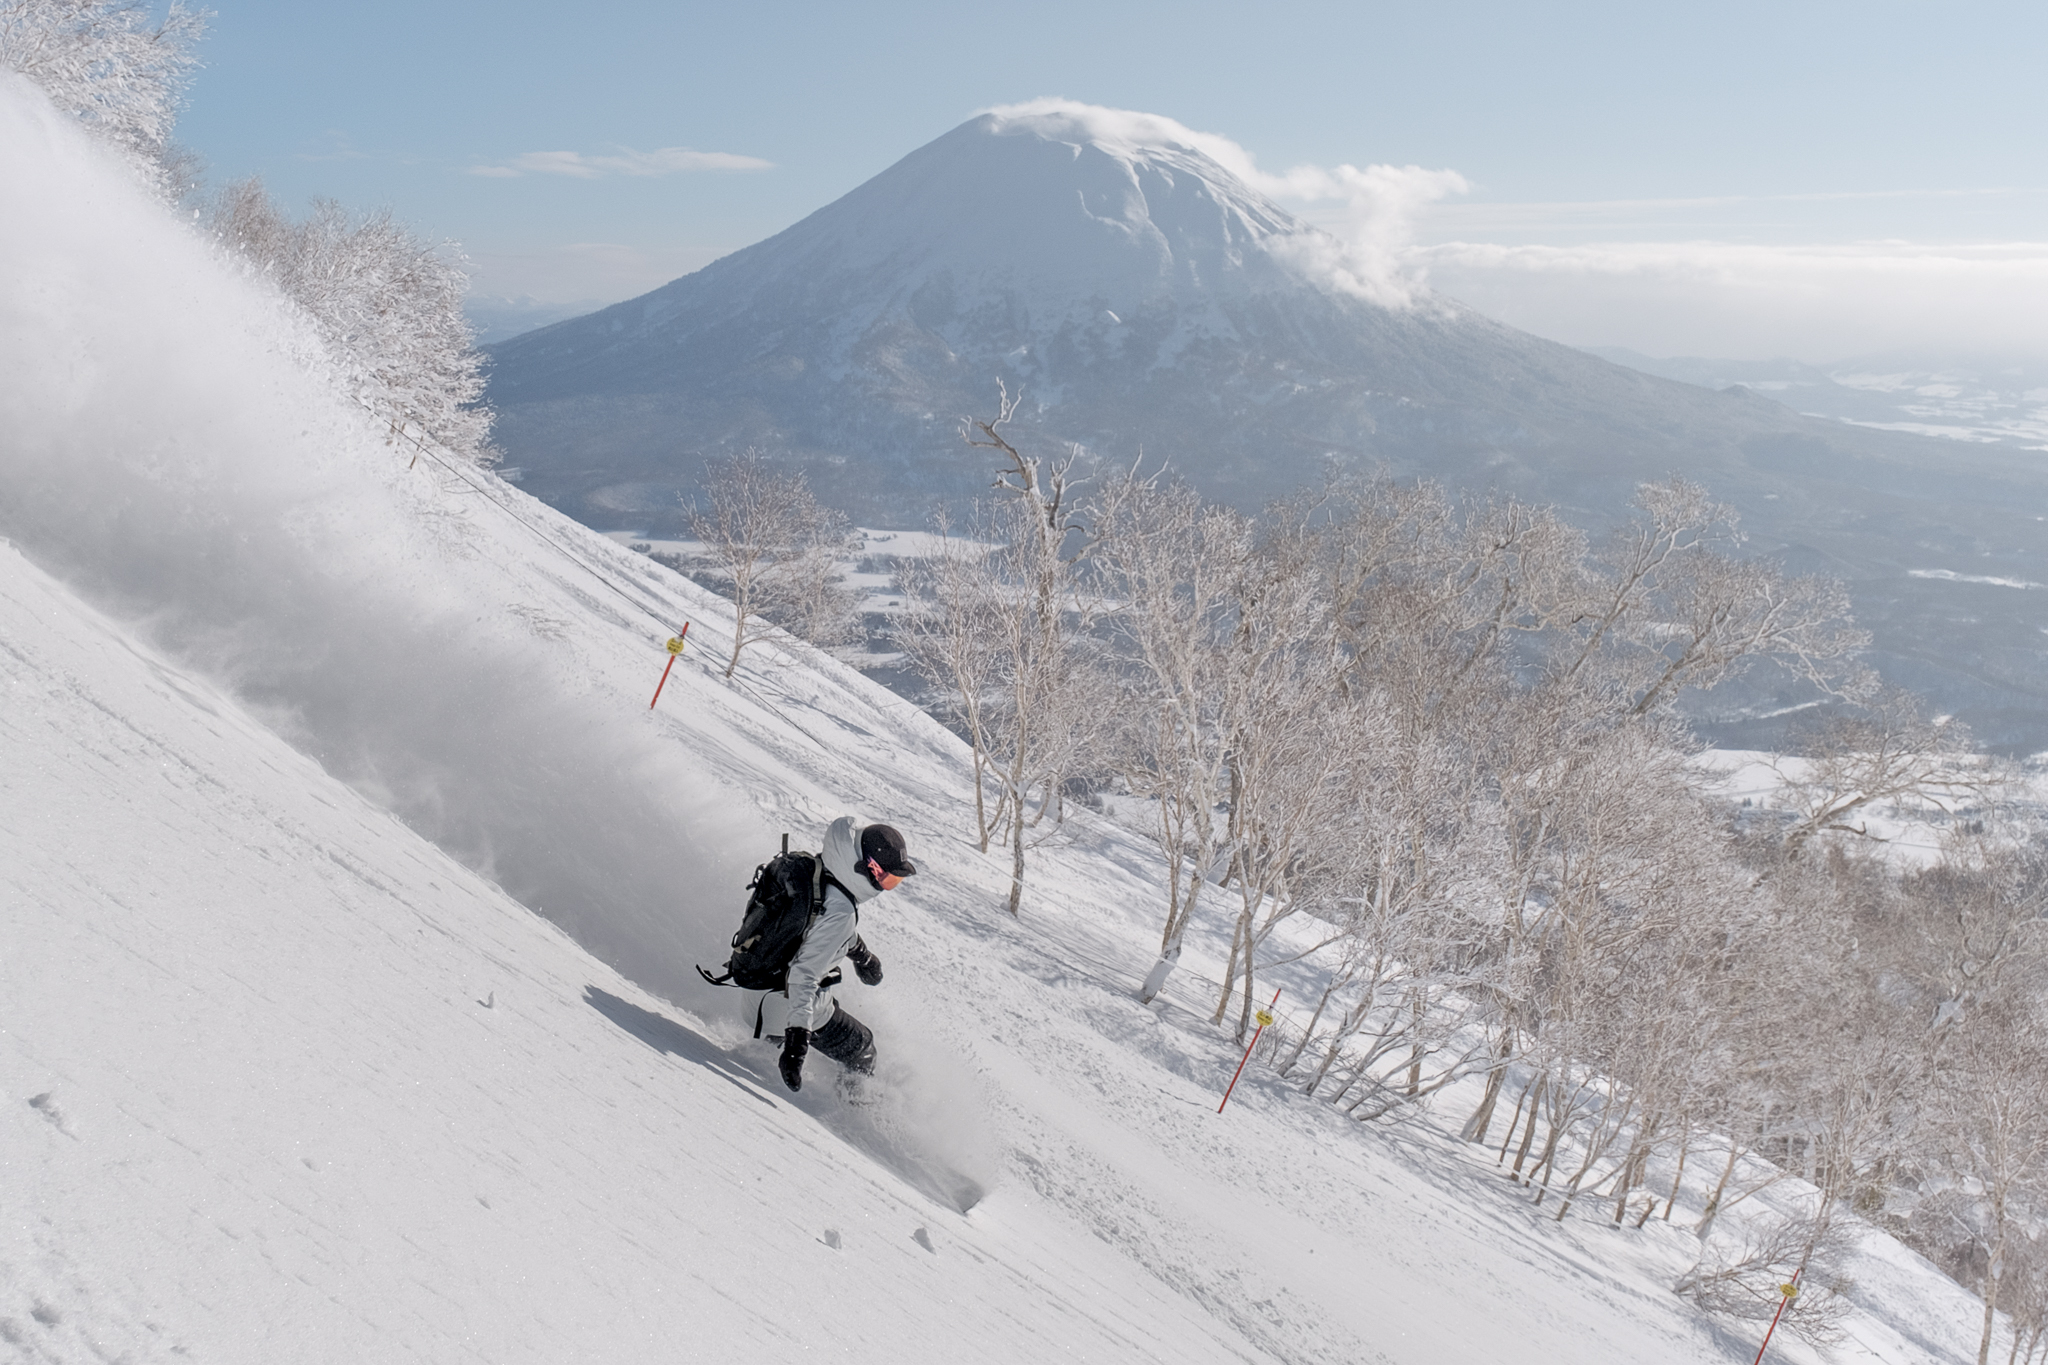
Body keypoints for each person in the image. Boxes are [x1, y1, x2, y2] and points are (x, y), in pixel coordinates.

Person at [760, 816, 916, 1092]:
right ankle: (850, 1116)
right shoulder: (842, 911)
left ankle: (768, 1046)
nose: (885, 887)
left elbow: (820, 927)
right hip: (780, 1003)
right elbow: (804, 975)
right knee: (863, 1047)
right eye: (886, 878)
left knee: (830, 1003)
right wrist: (797, 1044)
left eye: (894, 881)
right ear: (867, 867)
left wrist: (862, 954)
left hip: (759, 985)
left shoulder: (820, 870)